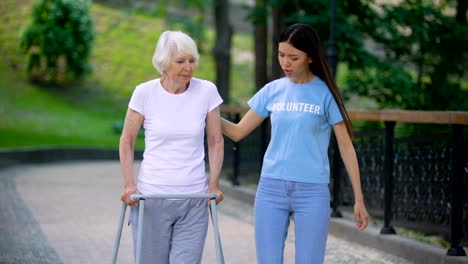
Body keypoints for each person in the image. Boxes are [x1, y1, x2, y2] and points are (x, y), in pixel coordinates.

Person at [221, 23, 369, 264]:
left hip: (312, 192)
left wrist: (359, 199)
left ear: (310, 57)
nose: (285, 63)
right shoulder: (272, 90)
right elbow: (237, 132)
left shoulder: (325, 94)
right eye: (281, 55)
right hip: (271, 189)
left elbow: (346, 147)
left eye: (293, 57)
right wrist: (206, 111)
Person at [119, 30, 224, 264]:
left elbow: (216, 140)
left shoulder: (207, 91)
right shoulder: (145, 93)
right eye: (180, 61)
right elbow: (127, 140)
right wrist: (129, 184)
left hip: (194, 199)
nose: (188, 67)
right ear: (164, 64)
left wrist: (214, 183)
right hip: (151, 199)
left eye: (192, 60)